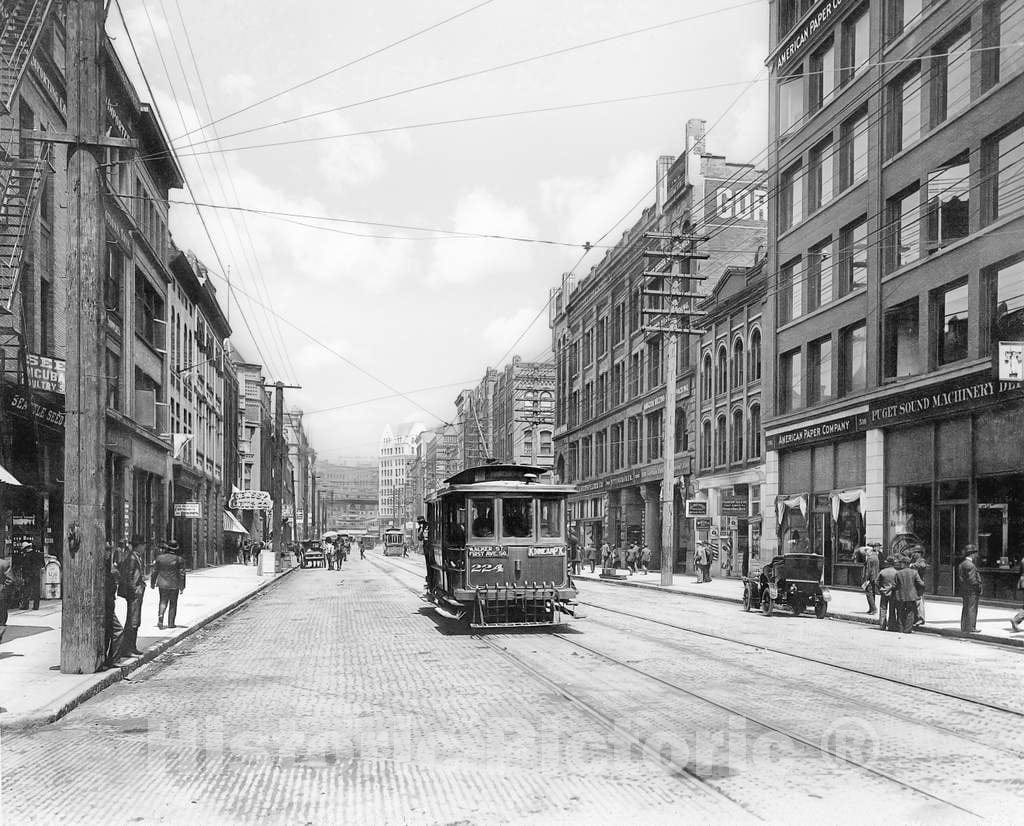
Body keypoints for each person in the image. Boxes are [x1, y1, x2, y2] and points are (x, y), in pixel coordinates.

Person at [114, 539, 146, 658]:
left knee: (135, 620)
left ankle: (132, 647)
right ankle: (128, 648)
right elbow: (129, 576)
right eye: (143, 546)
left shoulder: (136, 557)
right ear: (138, 546)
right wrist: (134, 589)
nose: (144, 549)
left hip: (137, 591)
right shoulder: (132, 558)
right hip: (134, 593)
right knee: (133, 620)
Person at [151, 540, 186, 630]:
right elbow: (182, 574)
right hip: (174, 584)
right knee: (173, 603)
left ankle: (161, 617)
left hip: (162, 583)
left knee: (163, 601)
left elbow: (154, 571)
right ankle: (171, 623)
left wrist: (152, 582)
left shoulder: (160, 558)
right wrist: (182, 586)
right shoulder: (179, 559)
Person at [893, 556, 925, 633]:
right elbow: (921, 583)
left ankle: (900, 628)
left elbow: (895, 585)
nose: (900, 564)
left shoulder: (898, 573)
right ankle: (907, 629)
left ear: (904, 564)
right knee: (910, 612)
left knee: (900, 612)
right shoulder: (914, 572)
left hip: (900, 596)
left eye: (901, 563)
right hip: (911, 596)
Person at [957, 544, 983, 633]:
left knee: (966, 607)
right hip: (972, 591)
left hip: (965, 589)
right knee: (972, 608)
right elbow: (972, 580)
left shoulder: (962, 564)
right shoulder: (971, 565)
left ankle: (964, 627)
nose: (976, 555)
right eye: (975, 553)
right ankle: (971, 627)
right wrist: (978, 587)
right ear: (972, 554)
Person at [17, 541, 44, 610]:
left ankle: (25, 606)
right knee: (36, 590)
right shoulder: (38, 554)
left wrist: (24, 575)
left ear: (25, 549)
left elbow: (25, 567)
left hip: (28, 575)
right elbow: (42, 564)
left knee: (27, 590)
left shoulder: (26, 556)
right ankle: (36, 606)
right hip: (36, 574)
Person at [855, 544, 880, 615]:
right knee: (872, 593)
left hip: (870, 578)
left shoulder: (870, 559)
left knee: (869, 593)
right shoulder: (875, 557)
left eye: (866, 552)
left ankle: (874, 609)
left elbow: (868, 570)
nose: (865, 553)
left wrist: (865, 579)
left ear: (869, 551)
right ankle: (871, 608)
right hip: (875, 577)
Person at [876, 556, 898, 631]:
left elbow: (877, 581)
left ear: (887, 563)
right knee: (892, 609)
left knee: (883, 608)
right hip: (893, 593)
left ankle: (882, 625)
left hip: (883, 592)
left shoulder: (882, 571)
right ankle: (891, 626)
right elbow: (898, 583)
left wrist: (880, 588)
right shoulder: (896, 572)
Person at [909, 547, 928, 627]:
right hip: (914, 584)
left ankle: (921, 618)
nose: (913, 554)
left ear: (918, 553)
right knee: (915, 602)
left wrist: (912, 565)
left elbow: (923, 566)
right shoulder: (914, 560)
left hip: (919, 584)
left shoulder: (921, 560)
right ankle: (916, 618)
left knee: (919, 602)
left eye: (914, 553)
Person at [0, 552, 13, 646]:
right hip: (1, 597)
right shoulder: (4, 564)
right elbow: (11, 580)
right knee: (1, 622)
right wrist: (3, 588)